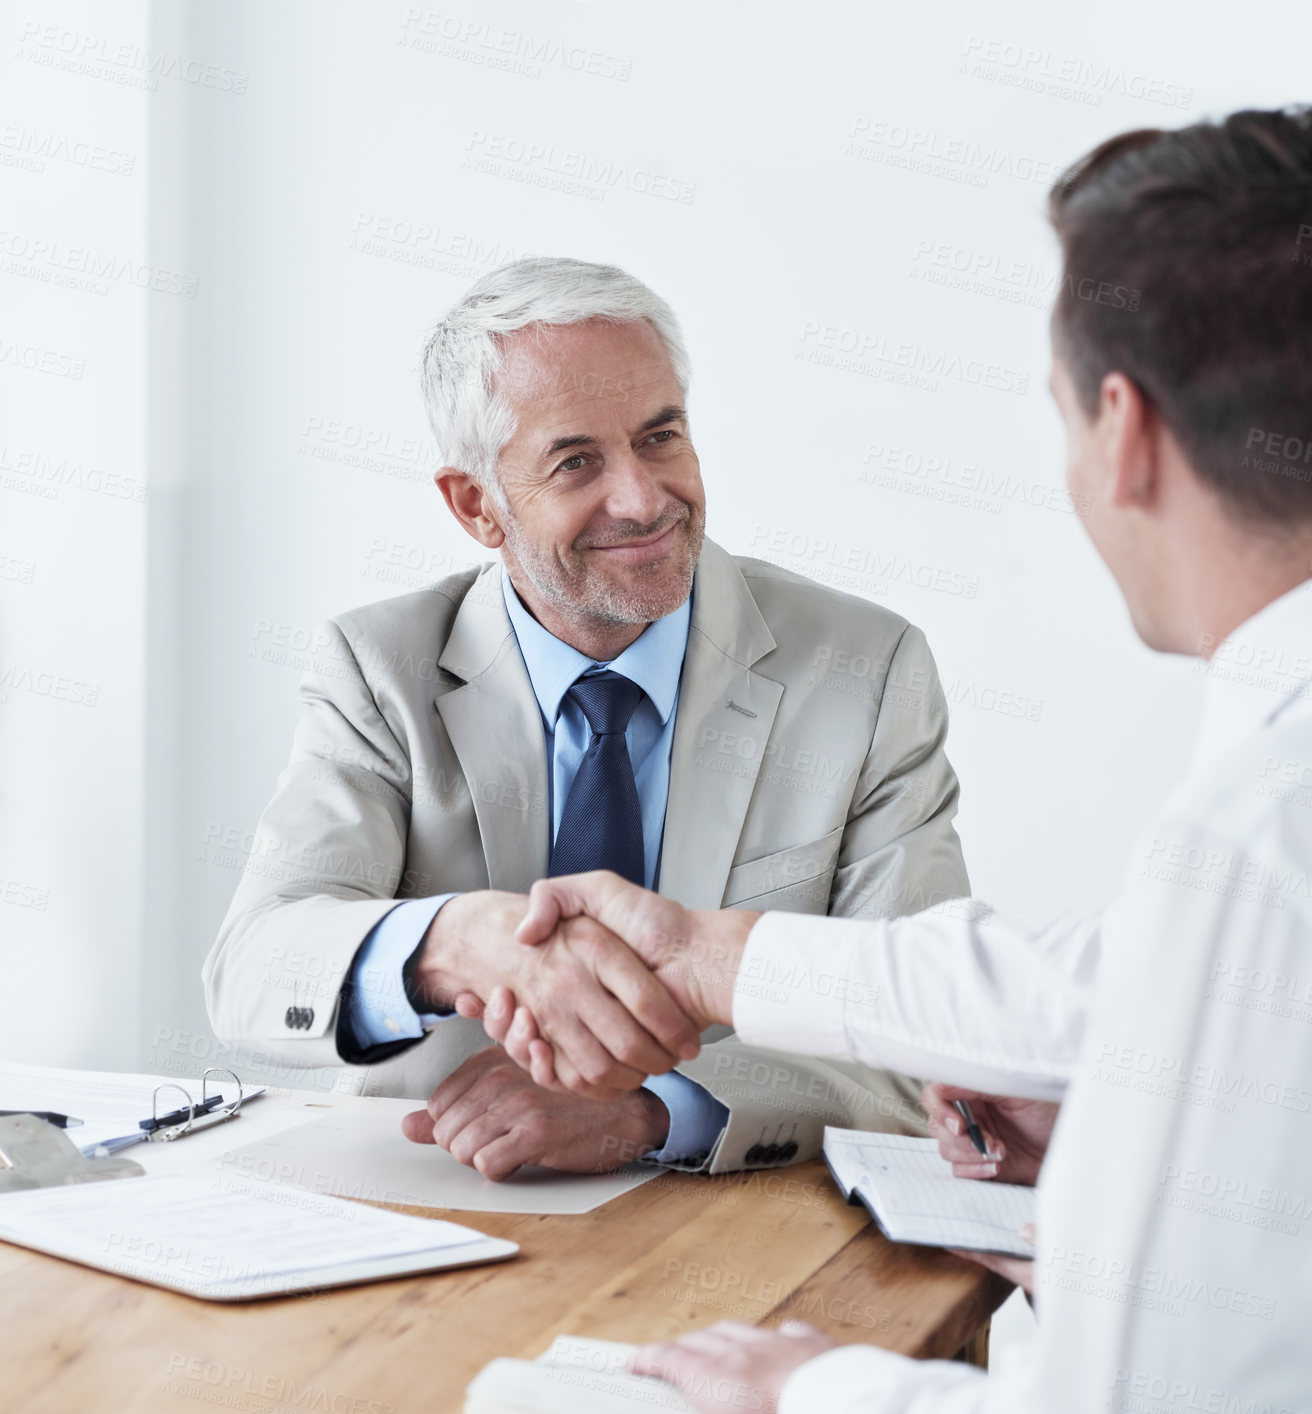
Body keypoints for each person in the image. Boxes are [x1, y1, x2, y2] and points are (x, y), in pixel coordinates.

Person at [480, 106, 1312, 1411]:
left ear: (1123, 429)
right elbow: (1113, 978)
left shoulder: (1275, 829)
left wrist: (813, 1390)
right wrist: (702, 953)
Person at [202, 256, 972, 1181]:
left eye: (660, 438)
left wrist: (648, 1112)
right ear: (476, 505)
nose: (644, 499)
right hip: (433, 1210)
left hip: (735, 1219)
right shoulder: (381, 670)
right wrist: (456, 944)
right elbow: (253, 969)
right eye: (576, 462)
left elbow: (922, 1028)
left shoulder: (866, 672)